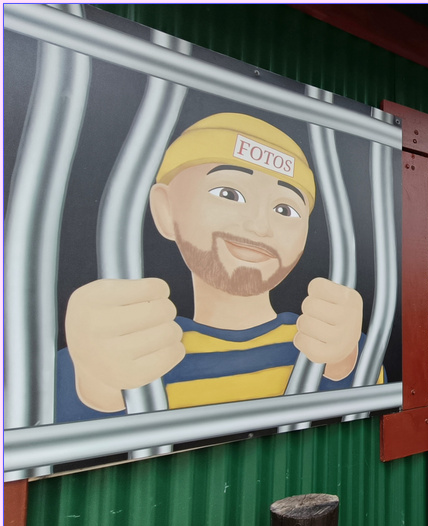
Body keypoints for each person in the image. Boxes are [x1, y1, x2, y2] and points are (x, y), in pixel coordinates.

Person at [58, 113, 377, 420]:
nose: (260, 226)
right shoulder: (134, 342)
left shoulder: (324, 337)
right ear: (165, 209)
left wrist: (345, 361)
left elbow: (367, 401)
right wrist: (95, 388)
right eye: (229, 193)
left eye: (285, 209)